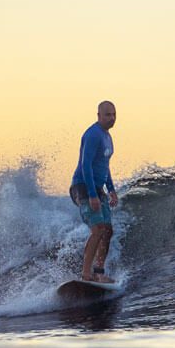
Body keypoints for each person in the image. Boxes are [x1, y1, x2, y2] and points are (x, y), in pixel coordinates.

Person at [69, 101, 118, 283]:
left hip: (97, 188)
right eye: (107, 115)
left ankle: (98, 272)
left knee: (108, 230)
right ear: (98, 115)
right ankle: (86, 273)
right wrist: (91, 194)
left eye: (114, 114)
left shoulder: (108, 137)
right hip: (82, 186)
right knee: (97, 229)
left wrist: (111, 190)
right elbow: (86, 165)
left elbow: (105, 166)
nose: (111, 118)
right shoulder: (93, 134)